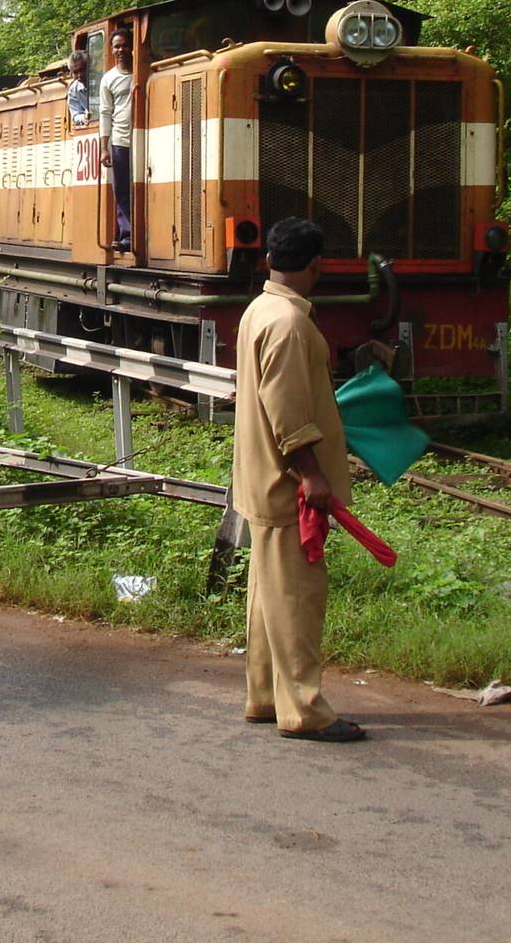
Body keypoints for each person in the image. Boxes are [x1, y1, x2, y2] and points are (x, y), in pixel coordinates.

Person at [233, 216, 365, 743]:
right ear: (316, 267)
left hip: (262, 478)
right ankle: (305, 710)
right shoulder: (288, 324)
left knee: (269, 597)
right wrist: (312, 474)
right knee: (297, 599)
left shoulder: (258, 311)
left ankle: (265, 697)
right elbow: (286, 411)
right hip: (287, 484)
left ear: (269, 261)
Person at [99, 30, 135, 252]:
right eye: (116, 46)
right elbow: (105, 112)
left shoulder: (142, 72)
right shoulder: (108, 79)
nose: (120, 50)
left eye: (124, 45)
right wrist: (104, 148)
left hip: (145, 139)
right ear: (111, 50)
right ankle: (128, 235)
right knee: (122, 189)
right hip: (120, 140)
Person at [65, 49, 92, 127]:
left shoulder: (103, 81)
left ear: (89, 67)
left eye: (82, 70)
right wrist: (85, 117)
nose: (79, 75)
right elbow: (76, 115)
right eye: (75, 72)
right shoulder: (73, 91)